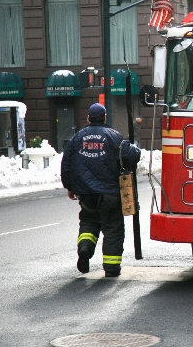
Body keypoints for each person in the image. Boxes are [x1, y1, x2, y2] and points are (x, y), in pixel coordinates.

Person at [61, 103, 141, 277]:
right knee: (113, 229)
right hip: (110, 194)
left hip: (86, 194)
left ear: (88, 118)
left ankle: (85, 249)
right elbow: (131, 156)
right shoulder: (114, 137)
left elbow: (66, 163)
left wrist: (69, 187)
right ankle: (111, 268)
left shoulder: (77, 138)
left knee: (89, 222)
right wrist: (135, 148)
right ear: (105, 117)